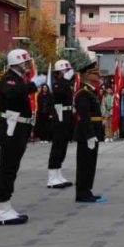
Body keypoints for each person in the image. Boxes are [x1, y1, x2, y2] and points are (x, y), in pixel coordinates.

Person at [0, 49, 45, 225]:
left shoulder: (17, 79)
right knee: (7, 168)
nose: (28, 65)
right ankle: (1, 208)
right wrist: (33, 85)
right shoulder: (9, 78)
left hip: (18, 127)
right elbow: (12, 93)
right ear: (17, 63)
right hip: (11, 127)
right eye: (26, 62)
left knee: (12, 168)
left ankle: (5, 206)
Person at [72, 61, 105, 203]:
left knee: (90, 163)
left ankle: (87, 190)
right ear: (87, 75)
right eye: (95, 73)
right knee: (84, 163)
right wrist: (90, 135)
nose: (98, 76)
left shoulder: (90, 91)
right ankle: (82, 192)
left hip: (92, 132)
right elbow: (85, 117)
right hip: (87, 134)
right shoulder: (83, 93)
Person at [46, 60, 74, 189]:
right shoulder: (58, 84)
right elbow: (59, 95)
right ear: (61, 72)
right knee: (57, 146)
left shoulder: (66, 83)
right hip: (59, 116)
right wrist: (65, 81)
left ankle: (58, 173)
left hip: (66, 116)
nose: (70, 73)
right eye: (67, 70)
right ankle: (52, 177)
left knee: (63, 146)